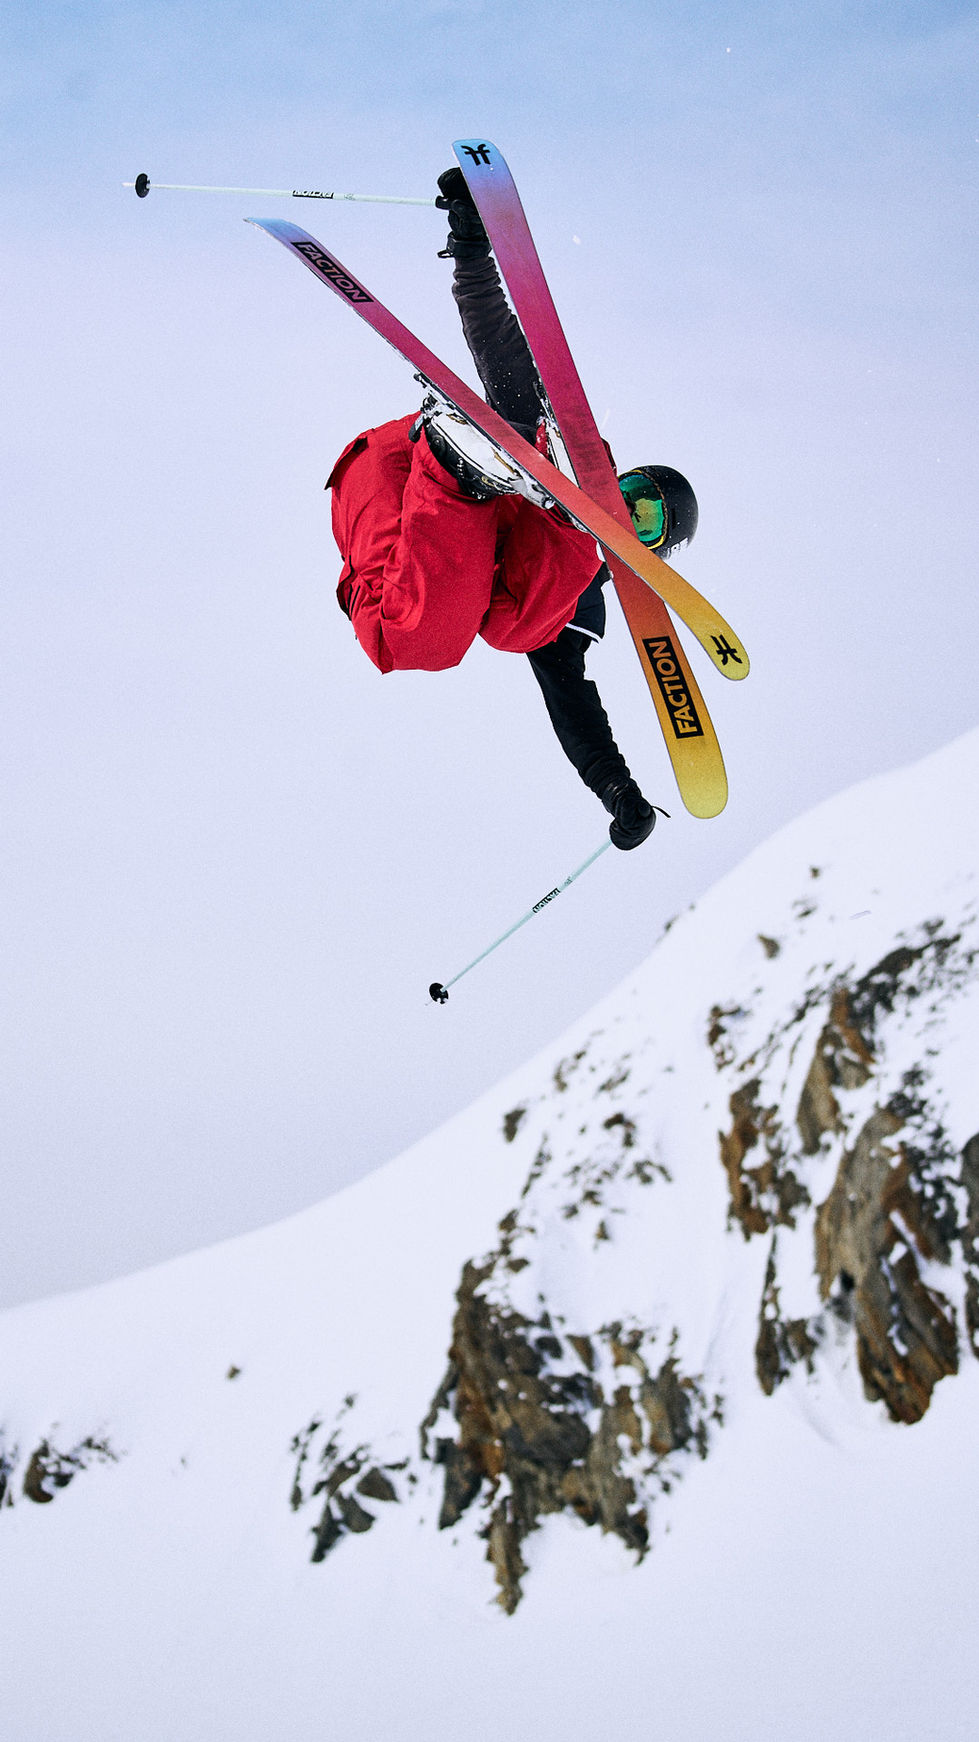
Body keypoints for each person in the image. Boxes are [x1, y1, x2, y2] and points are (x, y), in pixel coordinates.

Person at [325, 169, 699, 850]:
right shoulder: (558, 488)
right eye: (633, 492)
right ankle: (474, 464)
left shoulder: (569, 592)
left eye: (643, 521)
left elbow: (573, 706)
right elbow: (504, 351)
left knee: (517, 621)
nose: (630, 509)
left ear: (652, 552)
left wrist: (615, 790)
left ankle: (467, 468)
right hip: (392, 474)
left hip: (424, 512)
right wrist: (471, 247)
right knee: (420, 643)